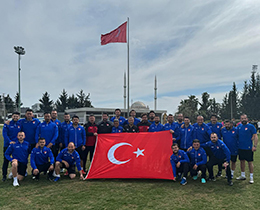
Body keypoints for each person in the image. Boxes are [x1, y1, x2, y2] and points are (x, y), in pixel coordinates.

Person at [236, 114, 258, 184]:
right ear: (240, 120)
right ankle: (243, 175)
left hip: (248, 148)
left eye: (244, 118)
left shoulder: (251, 126)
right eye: (242, 118)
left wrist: (254, 146)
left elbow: (255, 136)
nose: (243, 120)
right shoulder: (239, 127)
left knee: (250, 162)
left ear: (247, 119)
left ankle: (251, 177)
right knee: (242, 161)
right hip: (240, 147)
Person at [2, 112, 21, 181]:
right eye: (14, 116)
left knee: (16, 159)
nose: (15, 117)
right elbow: (4, 134)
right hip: (8, 145)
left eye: (17, 116)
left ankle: (15, 173)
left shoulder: (20, 123)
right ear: (12, 116)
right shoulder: (7, 124)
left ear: (19, 117)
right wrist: (10, 141)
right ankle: (4, 175)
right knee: (6, 160)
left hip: (16, 145)